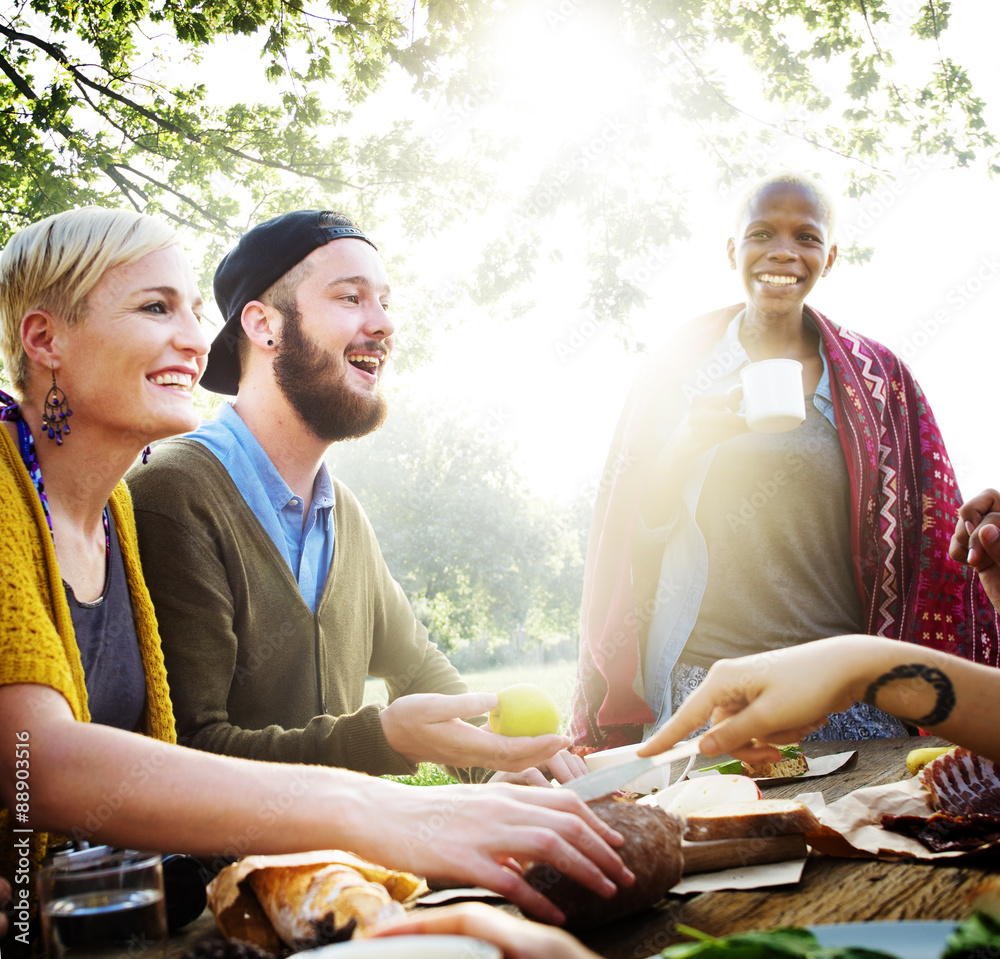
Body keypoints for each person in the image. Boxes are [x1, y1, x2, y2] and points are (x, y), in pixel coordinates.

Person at [0, 207, 633, 934]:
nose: (194, 340)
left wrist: (504, 772)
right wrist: (384, 784)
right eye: (155, 307)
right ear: (45, 338)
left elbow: (424, 675)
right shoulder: (153, 495)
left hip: (184, 914)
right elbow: (51, 765)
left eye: (194, 311)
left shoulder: (116, 511)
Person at [126, 210, 584, 786]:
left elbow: (415, 667)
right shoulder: (172, 496)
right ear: (264, 325)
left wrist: (499, 766)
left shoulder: (342, 511)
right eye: (351, 298)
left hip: (357, 873)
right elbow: (190, 753)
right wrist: (379, 738)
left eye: (385, 302)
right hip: (228, 877)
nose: (384, 324)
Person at [570, 171, 998, 753]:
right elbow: (630, 534)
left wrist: (975, 532)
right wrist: (686, 447)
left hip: (845, 692)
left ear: (830, 256)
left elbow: (927, 533)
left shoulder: (881, 380)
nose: (783, 251)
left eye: (806, 237)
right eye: (762, 233)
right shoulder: (675, 369)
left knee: (866, 838)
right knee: (722, 831)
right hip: (710, 687)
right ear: (732, 250)